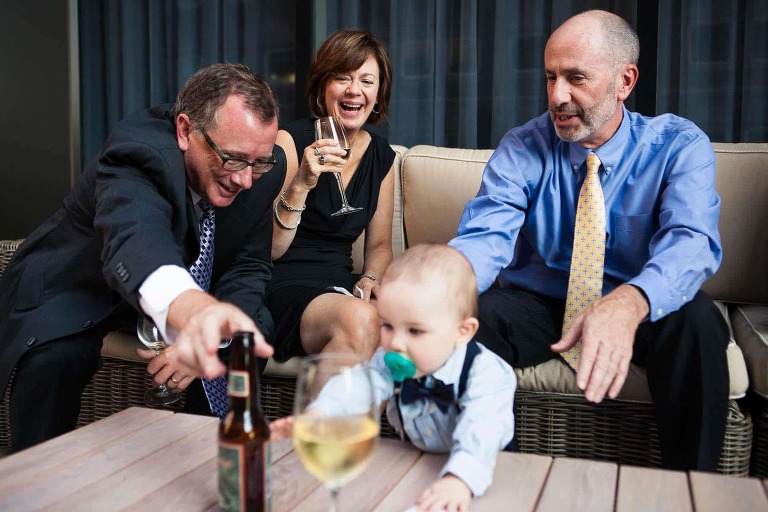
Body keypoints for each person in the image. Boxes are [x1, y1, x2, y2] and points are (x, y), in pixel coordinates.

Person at [449, 9, 729, 472]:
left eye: (576, 78)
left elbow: (692, 241)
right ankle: (495, 482)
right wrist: (433, 296)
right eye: (550, 77)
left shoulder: (679, 145)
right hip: (540, 303)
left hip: (635, 305)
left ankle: (693, 486)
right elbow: (483, 239)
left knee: (698, 321)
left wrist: (632, 300)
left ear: (625, 81)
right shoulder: (522, 147)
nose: (557, 96)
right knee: (462, 320)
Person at [0, 63, 284, 451]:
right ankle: (38, 481)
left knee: (251, 327)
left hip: (164, 297)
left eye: (258, 163)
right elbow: (136, 238)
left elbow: (250, 265)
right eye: (232, 159)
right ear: (186, 130)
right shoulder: (139, 151)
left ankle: (204, 451)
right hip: (80, 285)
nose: (245, 179)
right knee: (55, 357)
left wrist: (209, 334)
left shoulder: (260, 166)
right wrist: (192, 313)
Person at [273, 244, 516, 512]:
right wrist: (321, 413)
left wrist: (459, 480)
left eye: (415, 331)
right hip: (419, 463)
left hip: (483, 472)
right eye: (387, 326)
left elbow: (481, 431)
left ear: (462, 332)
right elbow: (356, 388)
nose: (396, 343)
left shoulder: (486, 374)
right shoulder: (391, 361)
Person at [264, 28, 396, 362]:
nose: (355, 90)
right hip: (285, 284)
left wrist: (370, 279)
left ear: (379, 94)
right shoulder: (288, 142)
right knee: (361, 321)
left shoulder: (382, 156)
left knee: (409, 324)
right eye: (342, 78)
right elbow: (270, 248)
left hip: (340, 285)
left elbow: (379, 247)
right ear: (323, 88)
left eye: (367, 81)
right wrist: (301, 183)